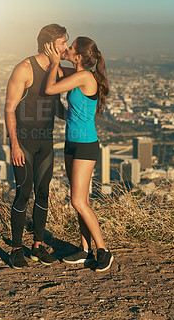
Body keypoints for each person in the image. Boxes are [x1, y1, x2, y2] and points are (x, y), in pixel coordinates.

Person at [5, 24, 74, 269]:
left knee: (43, 192)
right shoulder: (24, 68)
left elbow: (56, 103)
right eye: (63, 42)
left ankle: (37, 245)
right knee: (24, 192)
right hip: (24, 141)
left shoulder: (57, 70)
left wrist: (75, 116)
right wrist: (13, 144)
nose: (66, 46)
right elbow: (9, 108)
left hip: (46, 140)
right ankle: (15, 248)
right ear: (48, 45)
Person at [45, 36, 113, 272]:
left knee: (77, 200)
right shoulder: (77, 73)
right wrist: (53, 57)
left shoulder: (85, 76)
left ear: (80, 56)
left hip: (85, 145)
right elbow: (54, 75)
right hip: (71, 142)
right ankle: (85, 251)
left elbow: (50, 87)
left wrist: (54, 63)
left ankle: (103, 250)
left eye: (71, 47)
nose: (68, 49)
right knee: (80, 201)